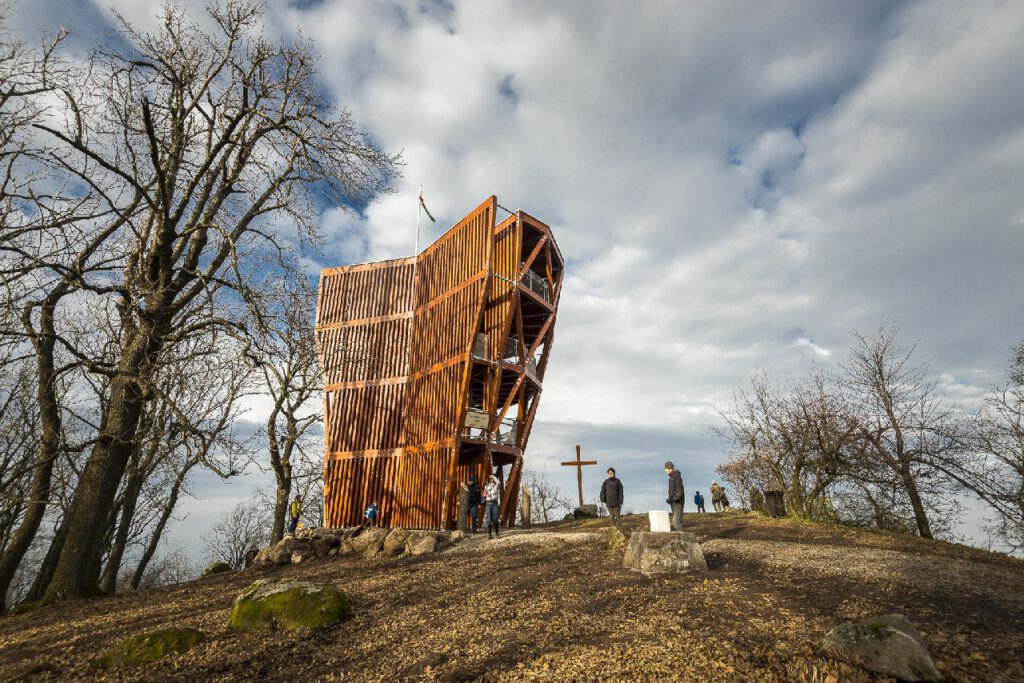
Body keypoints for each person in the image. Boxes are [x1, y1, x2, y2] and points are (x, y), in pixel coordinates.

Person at [664, 461, 685, 531]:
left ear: (670, 468)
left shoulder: (676, 476)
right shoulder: (671, 478)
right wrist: (670, 499)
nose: (665, 471)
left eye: (666, 469)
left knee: (676, 522)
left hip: (678, 503)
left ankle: (683, 539)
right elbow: (673, 491)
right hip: (673, 503)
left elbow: (680, 490)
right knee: (675, 522)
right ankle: (679, 538)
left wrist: (675, 499)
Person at [483, 474, 501, 539]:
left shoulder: (496, 486)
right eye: (490, 479)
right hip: (488, 504)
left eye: (492, 479)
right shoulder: (486, 486)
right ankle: (489, 534)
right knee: (489, 519)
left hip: (494, 504)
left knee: (495, 519)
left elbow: (499, 482)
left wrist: (493, 476)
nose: (491, 480)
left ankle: (496, 533)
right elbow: (484, 495)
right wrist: (486, 494)